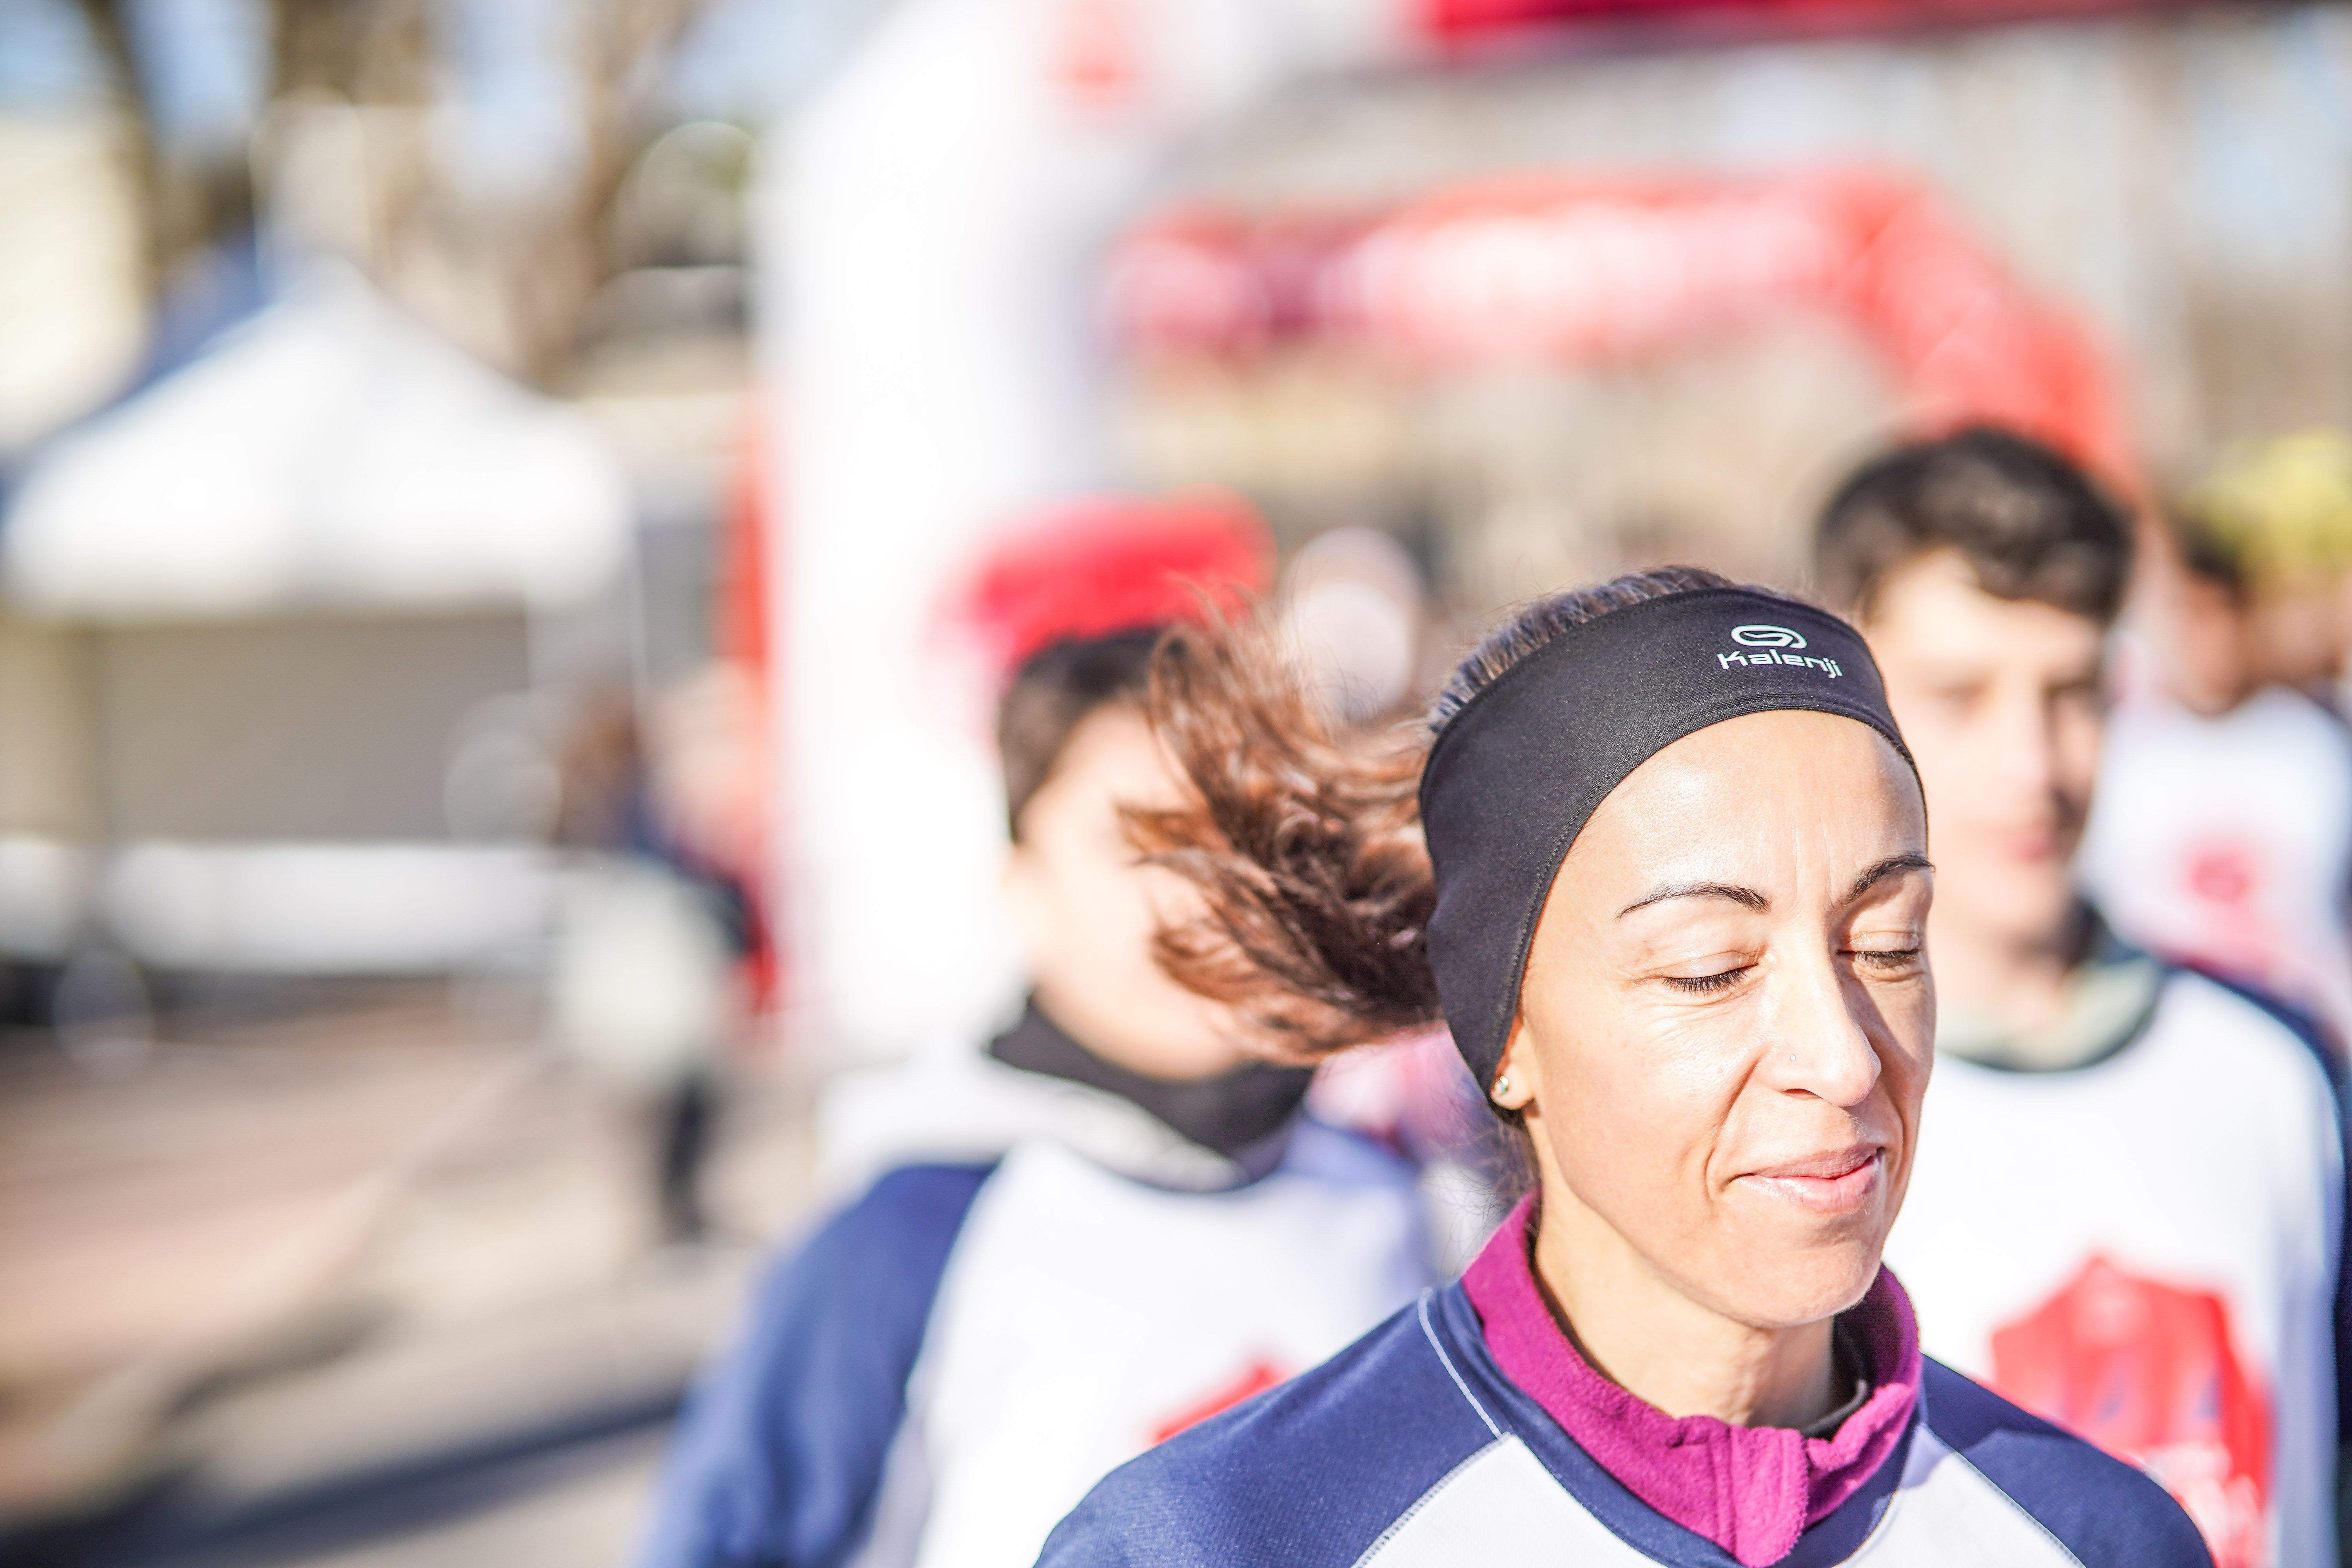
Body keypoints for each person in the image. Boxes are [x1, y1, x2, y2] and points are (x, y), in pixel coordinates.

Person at [1041, 568, 2203, 1567]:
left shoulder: (2091, 1536)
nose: (1843, 1058)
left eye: (1887, 943)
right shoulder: (1226, 1541)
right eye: (1709, 967)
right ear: (1507, 1037)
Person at [635, 497, 1433, 1568]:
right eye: (1141, 848)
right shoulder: (911, 1236)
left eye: (1241, 836)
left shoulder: (1399, 1199)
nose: (1205, 899)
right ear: (1022, 887)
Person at [1816, 426, 2347, 1568]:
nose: (2035, 765)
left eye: (2071, 693)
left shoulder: (2279, 1069)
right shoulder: (1803, 1107)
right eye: (1961, 697)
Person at [2076, 430, 2352, 1049]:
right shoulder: (2115, 744)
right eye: (2189, 613)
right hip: (2164, 1042)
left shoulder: (2319, 744)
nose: (2208, 640)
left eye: (2224, 613)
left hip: (2306, 1039)